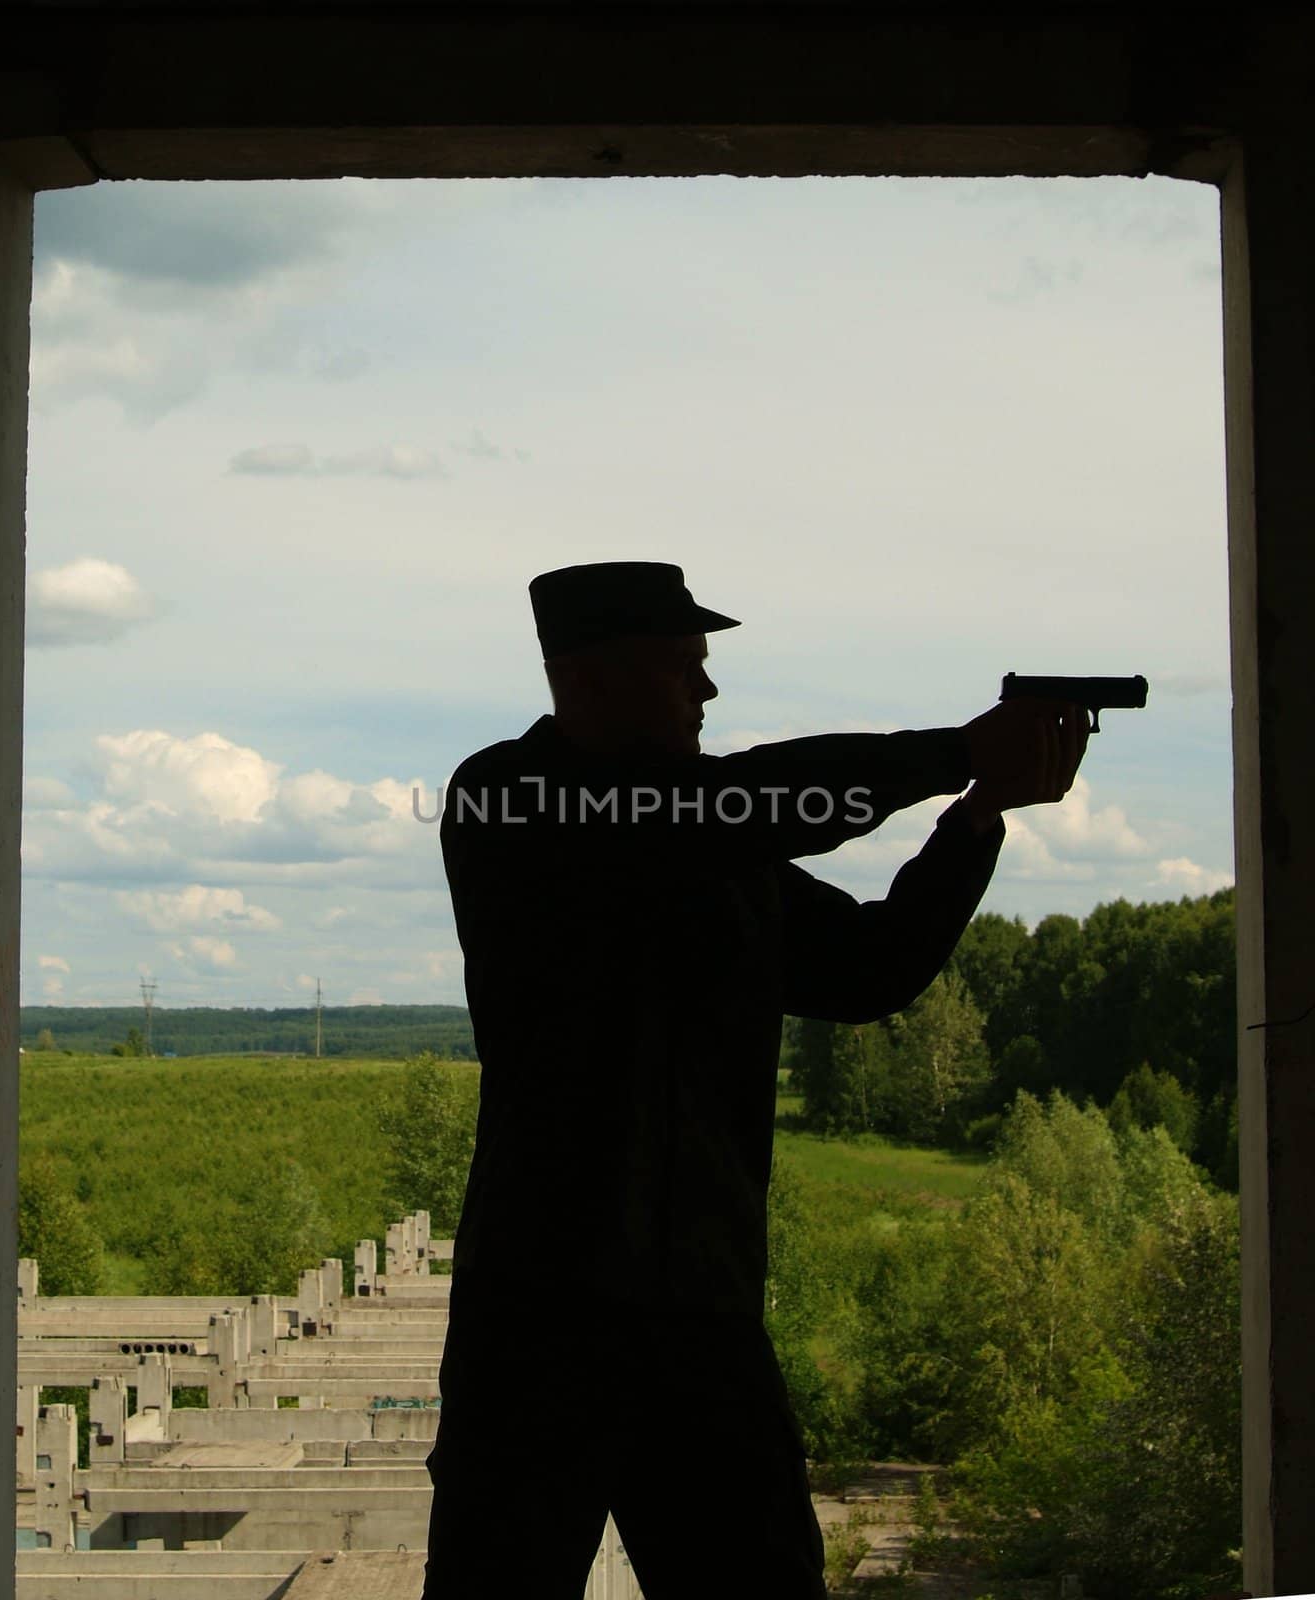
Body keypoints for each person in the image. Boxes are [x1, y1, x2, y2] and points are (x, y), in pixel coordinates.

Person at [422, 561, 1089, 1600]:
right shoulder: (507, 798)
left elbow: (870, 969)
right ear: (591, 677)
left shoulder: (719, 849)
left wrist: (975, 815)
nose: (707, 693)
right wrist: (955, 754)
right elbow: (736, 805)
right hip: (542, 1328)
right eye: (684, 667)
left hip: (698, 1314)